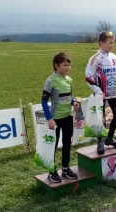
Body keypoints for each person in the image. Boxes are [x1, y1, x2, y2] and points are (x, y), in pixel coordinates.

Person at [41, 52, 80, 183]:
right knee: (53, 145)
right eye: (65, 65)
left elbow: (69, 96)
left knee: (67, 143)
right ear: (56, 65)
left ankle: (65, 168)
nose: (68, 67)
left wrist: (73, 102)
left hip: (68, 117)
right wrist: (50, 119)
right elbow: (44, 102)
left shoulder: (69, 80)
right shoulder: (51, 81)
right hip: (55, 119)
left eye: (69, 65)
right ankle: (52, 171)